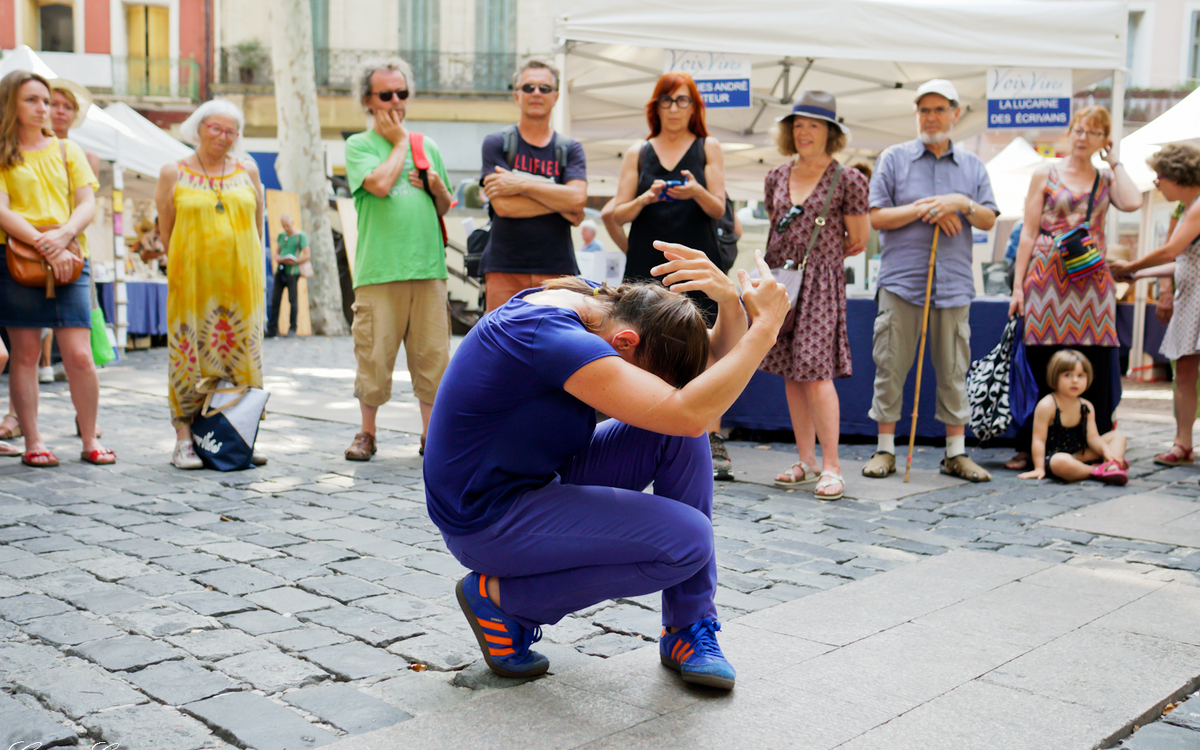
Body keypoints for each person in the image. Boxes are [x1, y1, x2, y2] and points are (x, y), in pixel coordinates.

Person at [424, 240, 789, 690]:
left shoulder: (602, 305)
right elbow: (688, 406)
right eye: (646, 375)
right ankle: (503, 601)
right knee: (687, 540)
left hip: (536, 478)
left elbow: (702, 382)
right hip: (485, 519)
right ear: (625, 343)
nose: (644, 387)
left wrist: (730, 303)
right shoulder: (555, 337)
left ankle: (687, 629)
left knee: (682, 434)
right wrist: (766, 328)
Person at [864, 79, 998, 482]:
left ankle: (955, 454)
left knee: (955, 369)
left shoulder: (973, 166)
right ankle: (885, 450)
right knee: (889, 366)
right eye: (924, 110)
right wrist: (926, 208)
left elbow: (988, 217)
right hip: (901, 282)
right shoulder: (894, 158)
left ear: (956, 114)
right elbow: (877, 216)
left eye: (940, 109)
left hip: (954, 284)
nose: (931, 117)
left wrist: (959, 203)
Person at [1007, 105, 1142, 471]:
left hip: (1091, 280)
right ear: (1070, 132)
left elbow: (1133, 202)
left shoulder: (1105, 178)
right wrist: (1018, 287)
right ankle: (1029, 444)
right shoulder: (1045, 173)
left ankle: (1088, 442)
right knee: (1039, 359)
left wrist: (1115, 162)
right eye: (1079, 130)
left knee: (1094, 356)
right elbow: (1028, 234)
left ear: (1104, 139)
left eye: (1093, 133)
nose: (1083, 138)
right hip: (1046, 276)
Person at [612, 72, 731, 477]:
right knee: (637, 344)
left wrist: (695, 191)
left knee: (705, 348)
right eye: (668, 101)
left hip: (697, 262)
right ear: (656, 106)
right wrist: (646, 197)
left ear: (694, 107)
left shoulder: (707, 146)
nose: (675, 109)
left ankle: (709, 438)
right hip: (645, 264)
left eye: (683, 101)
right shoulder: (638, 152)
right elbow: (617, 213)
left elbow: (719, 208)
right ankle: (636, 429)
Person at [343, 57, 452, 462]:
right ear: (367, 101)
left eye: (401, 93)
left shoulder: (430, 147)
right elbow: (380, 184)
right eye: (385, 94)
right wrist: (401, 144)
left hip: (428, 269)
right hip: (379, 270)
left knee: (433, 359)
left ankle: (431, 437)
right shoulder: (359, 146)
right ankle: (366, 433)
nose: (395, 102)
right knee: (372, 355)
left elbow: (442, 206)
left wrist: (438, 184)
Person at [762, 92, 869, 501]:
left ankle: (832, 466)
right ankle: (806, 460)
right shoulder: (775, 175)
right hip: (780, 281)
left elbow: (859, 239)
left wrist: (819, 262)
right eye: (799, 124)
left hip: (821, 286)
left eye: (815, 125)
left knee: (817, 373)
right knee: (791, 370)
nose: (805, 132)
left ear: (831, 132)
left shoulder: (849, 179)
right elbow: (776, 230)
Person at [0, 70, 108, 467]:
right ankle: (34, 440)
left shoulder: (68, 151)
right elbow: (2, 208)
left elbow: (86, 204)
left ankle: (89, 438)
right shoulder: (2, 152)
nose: (43, 107)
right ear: (11, 102)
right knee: (25, 353)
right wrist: (45, 243)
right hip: (19, 256)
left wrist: (62, 236)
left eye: (46, 100)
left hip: (69, 254)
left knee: (80, 354)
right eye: (31, 99)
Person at [155, 98, 265, 470]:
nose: (222, 136)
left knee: (240, 360)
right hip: (192, 284)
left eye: (230, 130)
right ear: (198, 128)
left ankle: (237, 437)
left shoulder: (248, 171)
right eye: (215, 127)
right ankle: (184, 439)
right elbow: (166, 229)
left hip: (240, 284)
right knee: (190, 359)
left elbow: (257, 226)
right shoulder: (173, 171)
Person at [1110, 143, 1200, 466]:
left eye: (1158, 177)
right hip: (1192, 298)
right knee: (1185, 372)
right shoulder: (1190, 208)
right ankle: (1183, 443)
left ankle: (1184, 443)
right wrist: (1141, 274)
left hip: (1196, 300)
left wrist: (1133, 266)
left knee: (1188, 372)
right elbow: (1186, 262)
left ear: (1177, 176)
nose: (1157, 184)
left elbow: (1172, 251)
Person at [479, 57, 586, 311]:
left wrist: (521, 185)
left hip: (559, 273)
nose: (536, 93)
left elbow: (577, 199)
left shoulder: (570, 148)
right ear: (517, 95)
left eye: (544, 88)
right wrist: (562, 203)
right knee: (501, 347)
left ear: (556, 96)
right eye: (528, 87)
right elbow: (503, 206)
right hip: (504, 268)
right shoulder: (496, 143)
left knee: (554, 349)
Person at [1017, 349, 1128, 485]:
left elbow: (1093, 438)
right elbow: (1038, 440)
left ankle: (1111, 464)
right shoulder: (1047, 405)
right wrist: (1039, 468)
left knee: (1117, 437)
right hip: (1056, 458)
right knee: (1061, 462)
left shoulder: (1086, 406)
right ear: (1055, 376)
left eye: (1080, 376)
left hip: (1079, 454)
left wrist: (1106, 450)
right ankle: (1096, 470)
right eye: (1068, 375)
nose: (1075, 381)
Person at [266, 214, 309, 338]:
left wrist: (294, 261)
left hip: (292, 272)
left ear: (292, 223)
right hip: (281, 270)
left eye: (287, 225)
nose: (286, 228)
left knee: (292, 300)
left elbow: (307, 255)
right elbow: (277, 252)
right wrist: (278, 258)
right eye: (283, 226)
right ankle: (272, 329)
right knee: (275, 299)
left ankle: (292, 328)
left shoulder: (300, 236)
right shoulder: (281, 236)